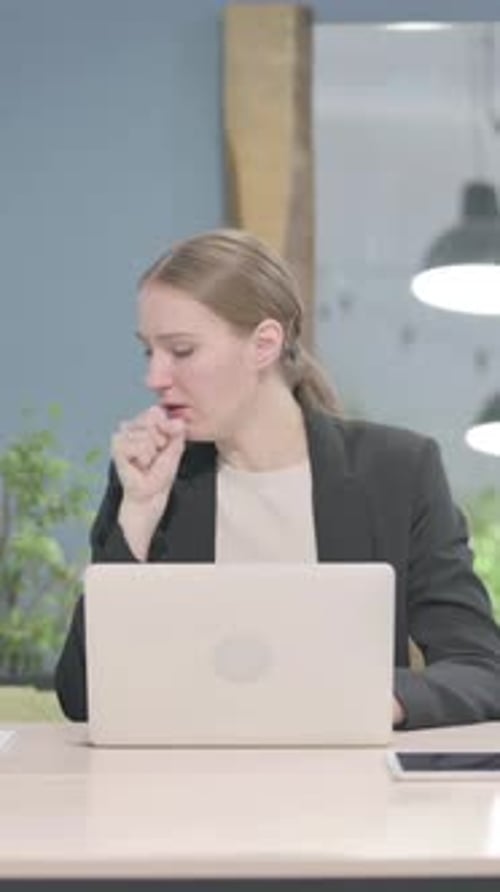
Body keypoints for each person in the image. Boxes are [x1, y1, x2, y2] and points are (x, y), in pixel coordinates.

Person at [55, 228, 500, 729]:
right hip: (186, 790)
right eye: (148, 352)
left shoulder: (398, 470)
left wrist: (375, 700)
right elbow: (82, 697)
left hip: (351, 793)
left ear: (264, 344)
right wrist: (135, 517)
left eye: (180, 351)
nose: (154, 377)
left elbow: (481, 670)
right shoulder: (153, 481)